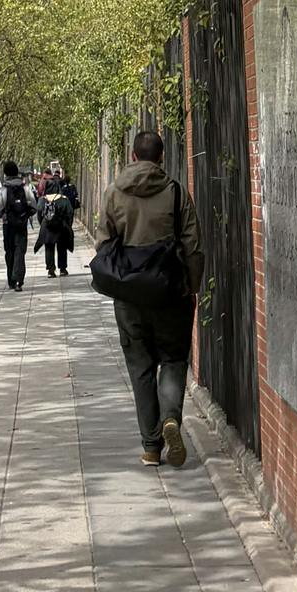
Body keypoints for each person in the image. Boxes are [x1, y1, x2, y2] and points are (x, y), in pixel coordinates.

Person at [96, 130, 203, 467]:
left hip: (129, 296)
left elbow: (103, 245)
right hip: (171, 291)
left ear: (132, 156)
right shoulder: (175, 193)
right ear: (161, 158)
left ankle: (151, 447)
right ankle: (171, 416)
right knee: (172, 359)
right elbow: (193, 246)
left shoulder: (113, 193)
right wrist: (192, 285)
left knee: (140, 366)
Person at [0, 160, 37, 292]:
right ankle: (19, 279)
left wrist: (3, 216)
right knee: (20, 251)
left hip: (8, 225)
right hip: (22, 225)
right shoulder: (25, 188)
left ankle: (11, 279)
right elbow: (33, 206)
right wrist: (25, 214)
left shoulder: (2, 190)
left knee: (9, 251)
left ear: (5, 173)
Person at [40, 164, 79, 277]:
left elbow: (38, 211)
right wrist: (68, 224)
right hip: (61, 227)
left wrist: (43, 222)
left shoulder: (43, 200)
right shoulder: (63, 199)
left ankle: (51, 270)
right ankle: (62, 268)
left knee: (49, 247)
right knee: (62, 247)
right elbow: (70, 212)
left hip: (48, 227)